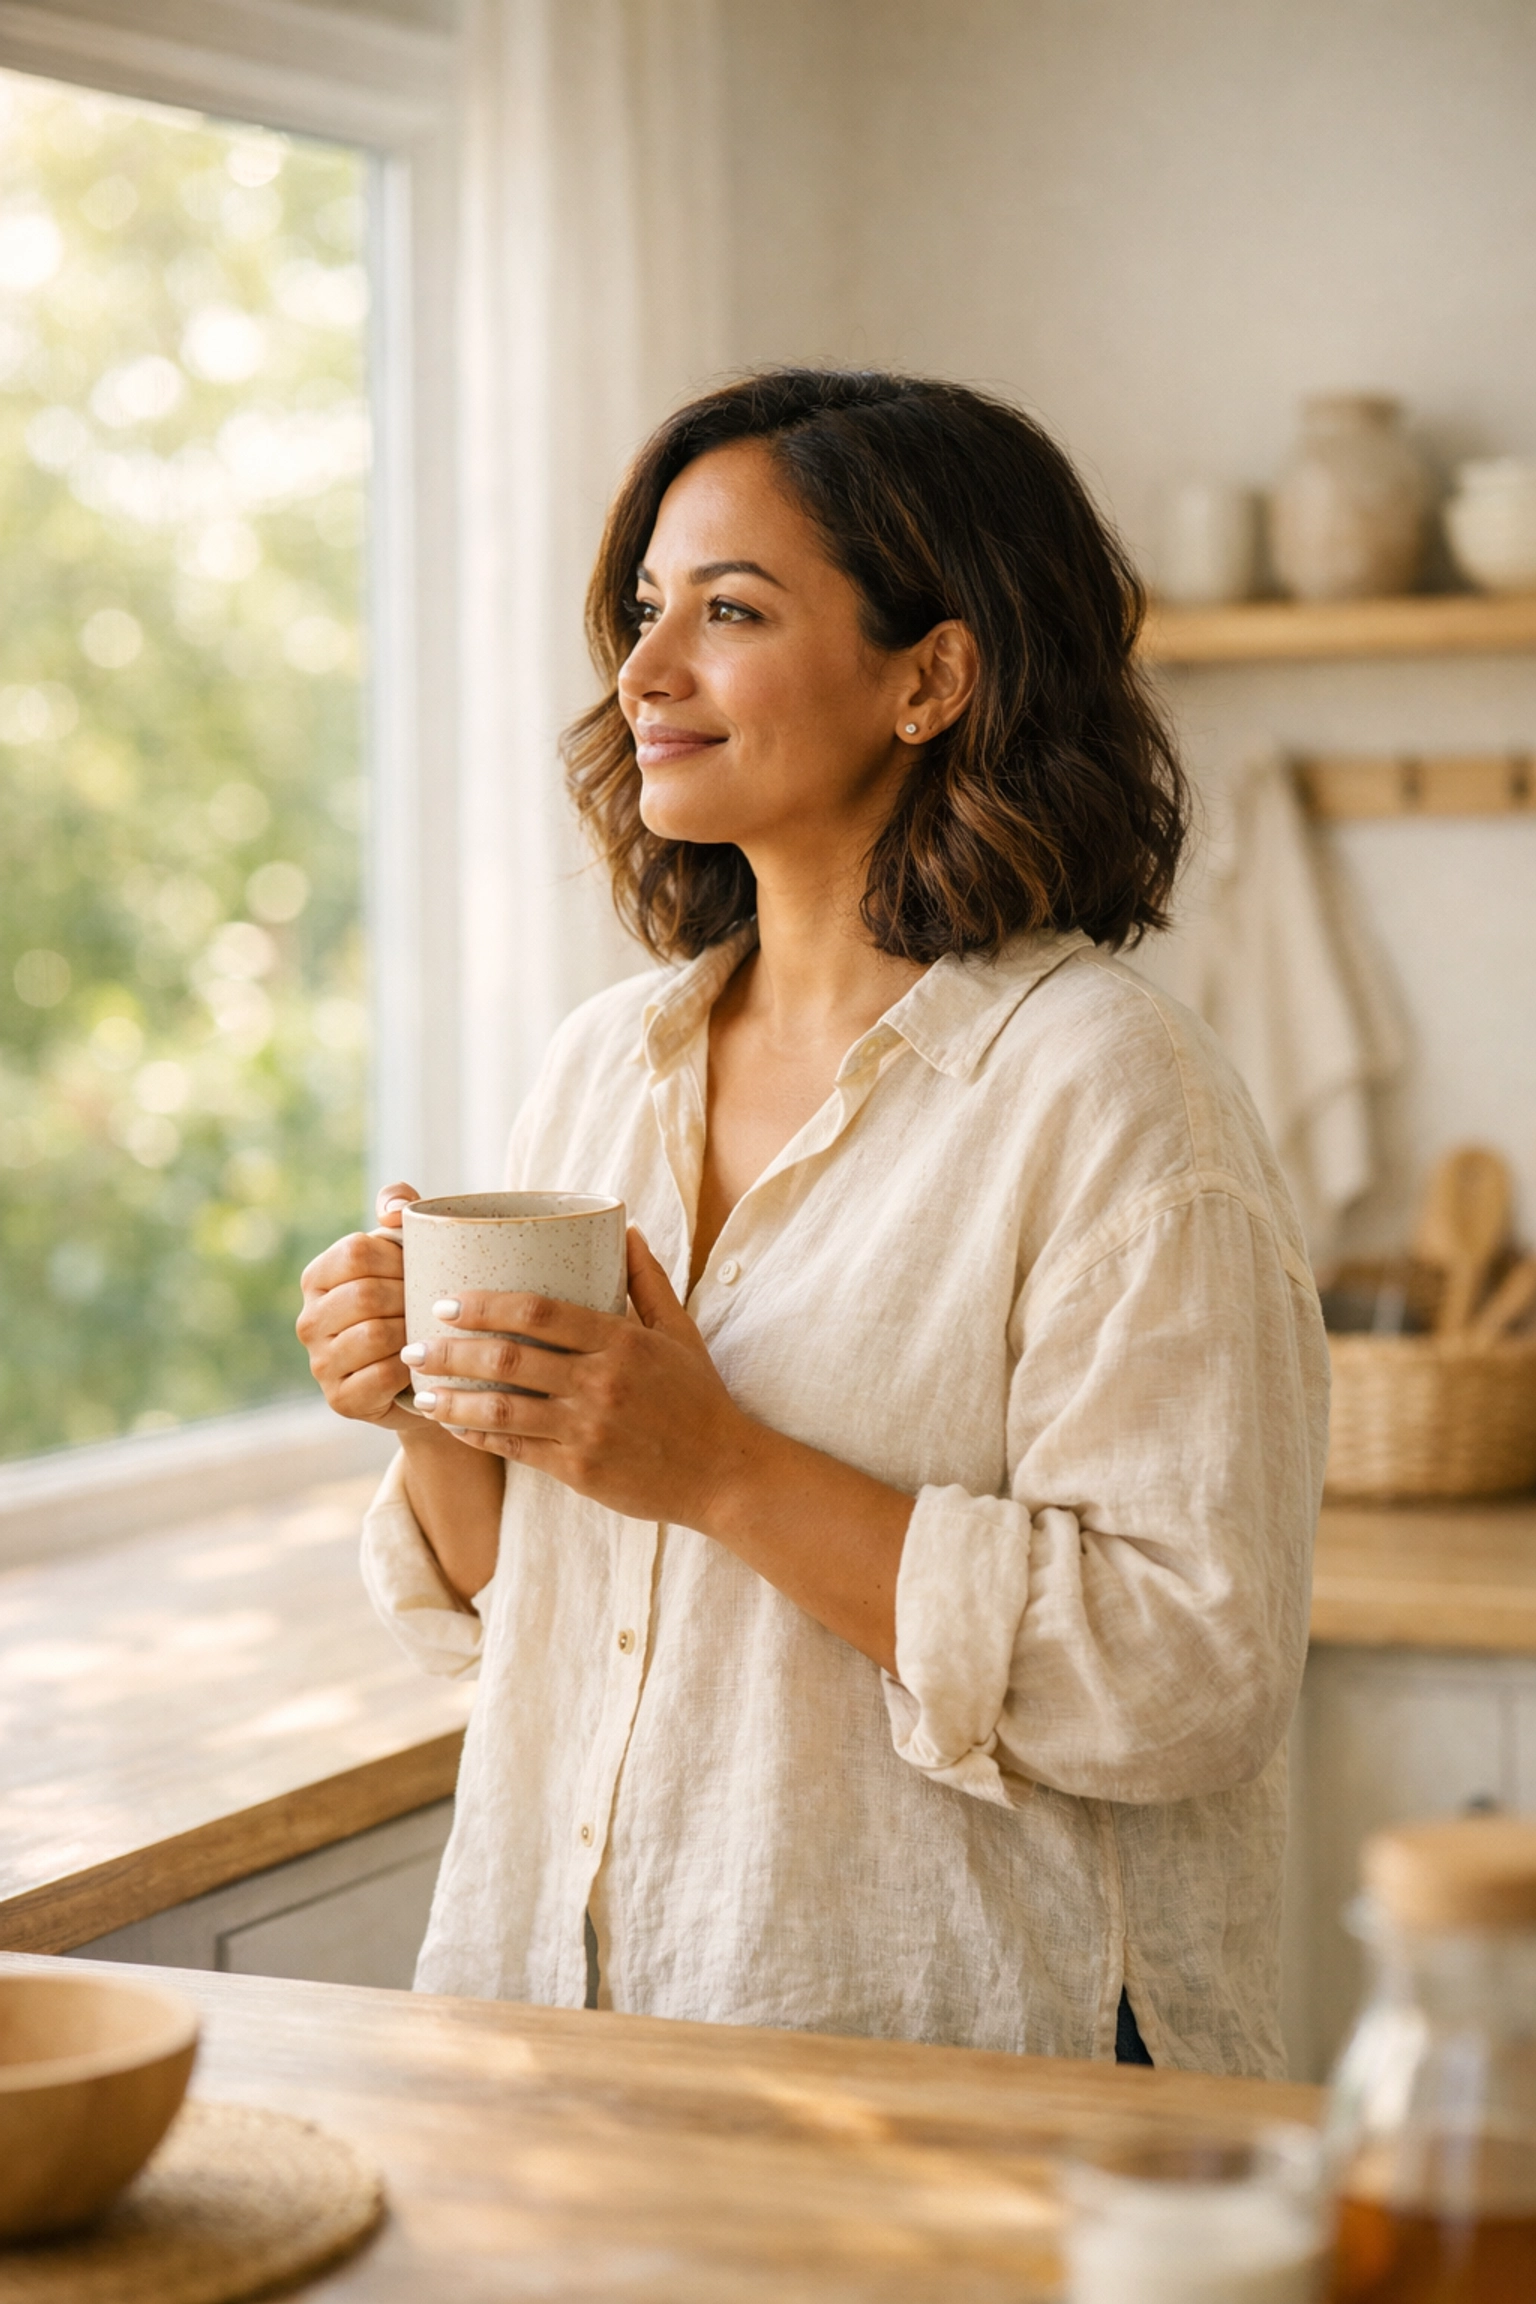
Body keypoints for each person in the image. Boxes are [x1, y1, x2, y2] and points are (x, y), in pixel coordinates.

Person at [297, 368, 1327, 2078]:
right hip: (572, 2046)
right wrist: (436, 1419)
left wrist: (720, 1467)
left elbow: (1188, 1675)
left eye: (731, 609)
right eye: (644, 611)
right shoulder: (603, 1070)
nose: (645, 672)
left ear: (930, 676)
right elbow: (548, 1604)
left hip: (956, 2071)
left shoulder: (1108, 1093)